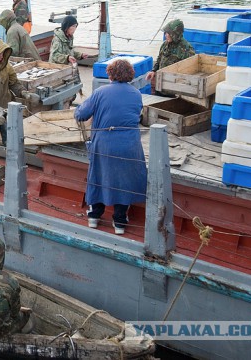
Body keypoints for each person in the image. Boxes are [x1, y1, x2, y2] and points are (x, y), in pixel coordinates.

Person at [74, 59, 147, 235]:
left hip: (105, 143)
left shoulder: (100, 92)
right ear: (130, 75)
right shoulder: (137, 94)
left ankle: (94, 216)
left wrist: (79, 110)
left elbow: (81, 115)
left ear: (110, 74)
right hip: (129, 144)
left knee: (98, 176)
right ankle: (120, 221)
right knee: (124, 180)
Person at [145, 19, 195, 93]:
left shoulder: (187, 49)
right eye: (166, 33)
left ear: (175, 34)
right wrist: (153, 71)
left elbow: (190, 70)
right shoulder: (165, 45)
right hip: (161, 85)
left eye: (168, 33)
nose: (166, 35)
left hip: (175, 88)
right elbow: (159, 59)